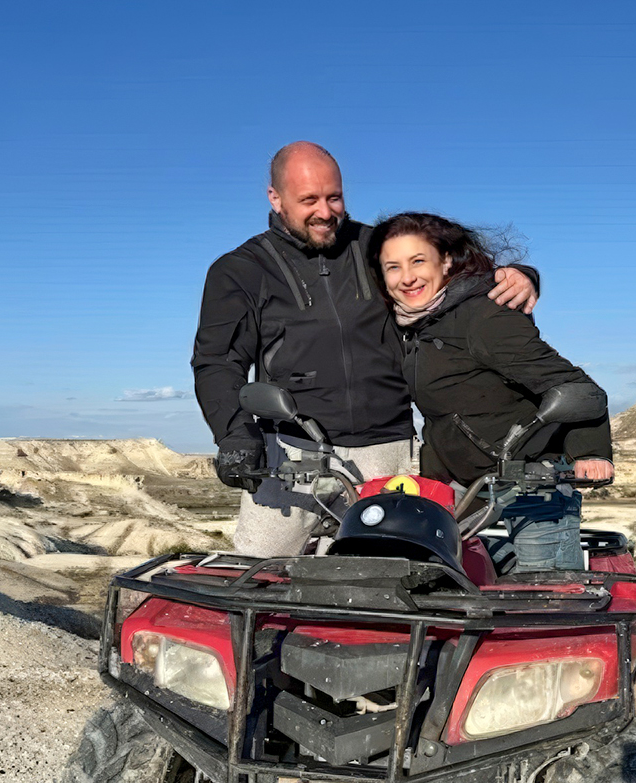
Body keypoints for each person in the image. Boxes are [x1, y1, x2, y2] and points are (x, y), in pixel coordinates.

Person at [190, 142, 540, 557]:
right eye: (308, 200)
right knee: (258, 573)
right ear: (275, 198)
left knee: (405, 578)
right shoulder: (239, 270)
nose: (325, 212)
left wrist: (520, 275)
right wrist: (234, 434)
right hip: (290, 455)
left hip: (390, 451)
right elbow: (218, 362)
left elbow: (452, 275)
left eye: (334, 197)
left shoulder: (379, 248)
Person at [369, 212, 613, 572]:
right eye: (393, 266)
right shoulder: (411, 327)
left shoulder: (484, 316)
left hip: (531, 481)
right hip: (464, 488)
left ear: (446, 260)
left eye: (418, 261)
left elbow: (575, 387)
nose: (407, 277)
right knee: (442, 582)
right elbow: (442, 419)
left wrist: (591, 453)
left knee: (548, 600)